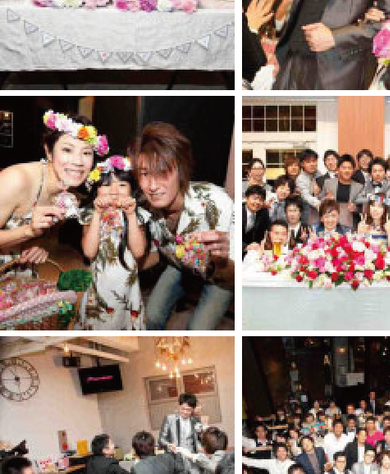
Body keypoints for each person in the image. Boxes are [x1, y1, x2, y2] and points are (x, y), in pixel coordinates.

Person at [133, 122, 234, 330]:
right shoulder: (146, 208)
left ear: (180, 170)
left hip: (219, 277)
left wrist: (223, 261)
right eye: (144, 174)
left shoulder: (215, 202)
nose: (152, 186)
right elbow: (154, 255)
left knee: (197, 331)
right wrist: (117, 268)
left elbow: (236, 274)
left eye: (162, 172)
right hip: (179, 266)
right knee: (150, 317)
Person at [0, 110, 107, 269]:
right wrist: (29, 231)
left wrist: (40, 244)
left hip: (19, 270)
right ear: (49, 152)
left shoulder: (72, 197)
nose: (78, 161)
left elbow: (51, 235)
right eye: (67, 150)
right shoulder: (16, 180)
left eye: (86, 153)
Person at [77, 156, 147, 330]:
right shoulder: (90, 215)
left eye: (122, 185)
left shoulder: (137, 215)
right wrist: (97, 214)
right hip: (99, 289)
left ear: (131, 189)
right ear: (96, 189)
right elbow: (89, 252)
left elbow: (139, 252)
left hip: (127, 290)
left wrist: (131, 216)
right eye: (107, 185)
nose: (114, 191)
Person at [160, 392, 208, 474]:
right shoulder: (170, 419)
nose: (185, 412)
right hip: (178, 461)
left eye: (189, 410)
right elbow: (161, 439)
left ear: (193, 409)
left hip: (193, 460)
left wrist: (203, 429)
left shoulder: (196, 420)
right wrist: (168, 445)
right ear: (179, 406)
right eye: (183, 409)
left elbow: (201, 440)